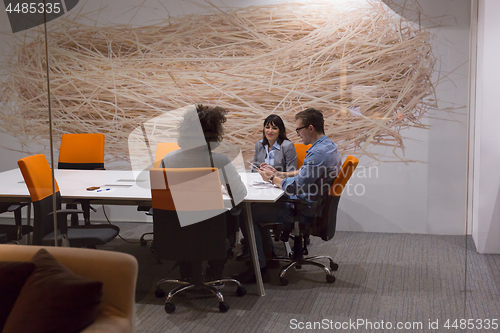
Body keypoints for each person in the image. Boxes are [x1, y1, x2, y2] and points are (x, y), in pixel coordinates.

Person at [239, 108, 342, 283]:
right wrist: (280, 173)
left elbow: (296, 187)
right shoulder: (328, 147)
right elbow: (303, 173)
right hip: (314, 204)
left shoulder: (317, 153)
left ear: (310, 128)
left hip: (303, 208)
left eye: (298, 130)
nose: (298, 135)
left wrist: (273, 178)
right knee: (255, 208)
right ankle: (268, 256)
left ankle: (259, 268)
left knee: (247, 215)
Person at [160, 104, 247, 282]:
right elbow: (239, 194)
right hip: (212, 235)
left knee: (186, 227)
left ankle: (187, 276)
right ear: (215, 135)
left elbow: (165, 197)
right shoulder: (220, 161)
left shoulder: (167, 161)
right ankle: (214, 275)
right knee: (232, 214)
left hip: (176, 234)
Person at [237, 114, 297, 261]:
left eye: (274, 128)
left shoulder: (287, 146)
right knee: (246, 208)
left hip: (279, 190)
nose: (269, 131)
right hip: (261, 187)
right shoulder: (260, 144)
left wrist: (274, 174)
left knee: (248, 215)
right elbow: (254, 168)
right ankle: (264, 251)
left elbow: (292, 173)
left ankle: (259, 257)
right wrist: (258, 173)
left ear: (280, 130)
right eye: (267, 127)